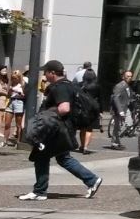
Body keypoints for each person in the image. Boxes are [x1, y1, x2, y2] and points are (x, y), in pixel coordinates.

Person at [18, 60, 103, 201]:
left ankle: (40, 191)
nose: (44, 75)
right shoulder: (69, 85)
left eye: (45, 72)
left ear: (52, 73)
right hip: (64, 128)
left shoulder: (59, 88)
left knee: (41, 156)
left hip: (55, 129)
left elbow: (64, 108)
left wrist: (46, 115)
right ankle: (92, 180)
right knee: (63, 158)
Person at [109, 70, 136, 150]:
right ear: (123, 77)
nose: (129, 78)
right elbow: (116, 98)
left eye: (130, 76)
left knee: (129, 124)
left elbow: (127, 96)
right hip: (118, 109)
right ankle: (114, 143)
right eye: (127, 76)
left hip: (125, 108)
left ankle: (116, 141)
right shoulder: (119, 86)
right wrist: (120, 110)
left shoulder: (127, 85)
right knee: (118, 127)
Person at [8, 71, 27, 148]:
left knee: (18, 124)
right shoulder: (11, 84)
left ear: (19, 78)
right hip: (11, 101)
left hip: (19, 102)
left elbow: (24, 95)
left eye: (15, 78)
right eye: (12, 78)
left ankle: (18, 141)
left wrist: (19, 93)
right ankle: (5, 140)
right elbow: (8, 94)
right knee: (7, 122)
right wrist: (10, 90)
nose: (14, 79)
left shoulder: (22, 85)